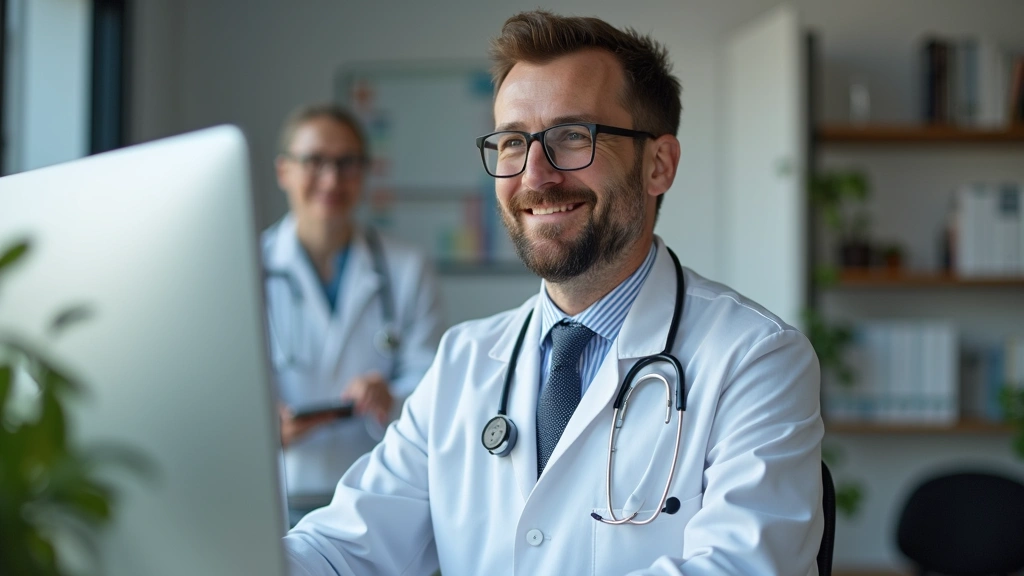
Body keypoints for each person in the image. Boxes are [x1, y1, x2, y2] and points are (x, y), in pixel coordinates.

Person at [283, 11, 823, 575]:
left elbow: (739, 567)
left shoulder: (756, 359)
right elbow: (345, 546)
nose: (535, 176)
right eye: (512, 142)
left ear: (658, 165)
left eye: (573, 137)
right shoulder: (463, 363)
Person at [262, 104, 444, 525]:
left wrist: (390, 396)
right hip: (277, 493)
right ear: (284, 171)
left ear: (365, 172)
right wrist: (256, 424)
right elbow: (221, 390)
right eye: (314, 161)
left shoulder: (406, 267)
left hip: (376, 494)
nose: (331, 179)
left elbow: (432, 385)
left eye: (347, 163)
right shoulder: (245, 267)